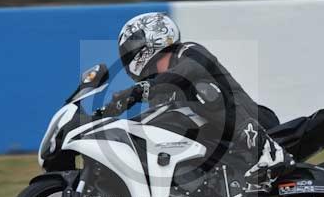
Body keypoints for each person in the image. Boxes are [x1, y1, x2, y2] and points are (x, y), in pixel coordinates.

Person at [110, 12, 294, 186]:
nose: (128, 55)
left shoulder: (188, 51)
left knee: (199, 90)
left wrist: (142, 89)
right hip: (219, 150)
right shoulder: (159, 92)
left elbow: (189, 71)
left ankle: (269, 152)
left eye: (131, 47)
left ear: (153, 35)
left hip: (256, 121)